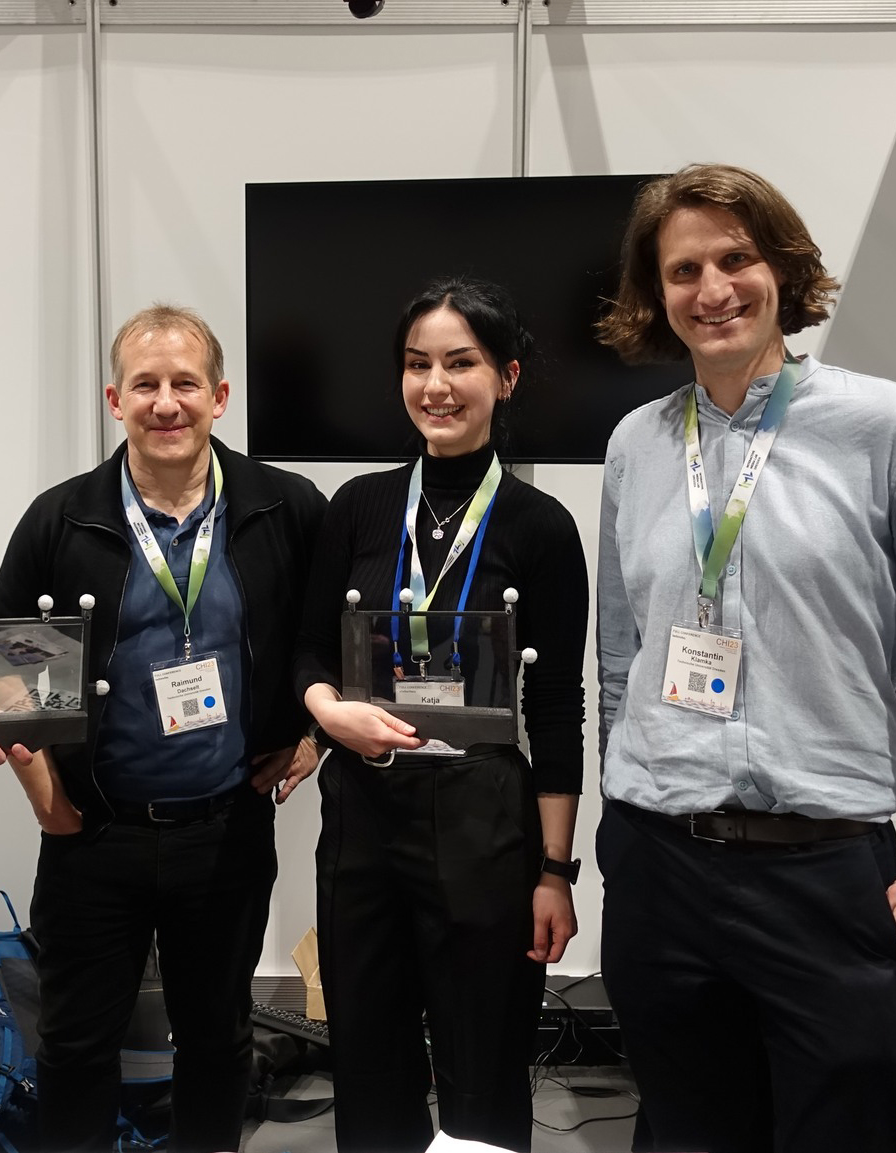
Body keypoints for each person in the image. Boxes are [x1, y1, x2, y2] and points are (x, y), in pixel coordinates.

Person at [593, 163, 896, 1153]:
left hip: (820, 872)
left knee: (840, 1132)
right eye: (682, 269)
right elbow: (618, 657)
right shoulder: (638, 445)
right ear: (654, 294)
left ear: (781, 270)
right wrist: (617, 810)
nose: (710, 290)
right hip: (659, 868)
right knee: (685, 1135)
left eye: (734, 259)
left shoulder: (892, 431)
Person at [0, 304, 328, 1152]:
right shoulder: (63, 520)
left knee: (217, 1040)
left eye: (184, 384)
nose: (165, 402)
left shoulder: (285, 508)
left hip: (226, 828)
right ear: (114, 398)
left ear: (220, 395)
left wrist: (311, 737)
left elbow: (325, 645)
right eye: (146, 385)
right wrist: (41, 796)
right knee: (75, 1045)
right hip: (94, 834)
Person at [293, 276, 588, 1153]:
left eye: (461, 363)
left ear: (507, 376)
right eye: (418, 364)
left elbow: (560, 704)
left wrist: (555, 873)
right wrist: (327, 712)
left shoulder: (542, 525)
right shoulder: (360, 507)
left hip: (485, 821)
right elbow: (307, 653)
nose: (437, 385)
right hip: (365, 813)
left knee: (485, 1059)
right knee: (368, 1052)